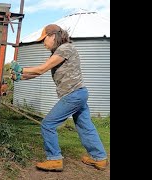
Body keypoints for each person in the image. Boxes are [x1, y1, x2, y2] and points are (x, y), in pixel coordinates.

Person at [10, 24, 108, 171]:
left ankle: (54, 159)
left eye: (44, 39)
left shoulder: (65, 49)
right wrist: (20, 77)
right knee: (85, 126)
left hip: (73, 95)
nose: (43, 42)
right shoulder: (58, 52)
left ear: (53, 36)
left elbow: (42, 68)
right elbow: (39, 73)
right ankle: (99, 158)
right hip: (79, 93)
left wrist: (21, 69)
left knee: (47, 124)